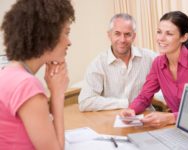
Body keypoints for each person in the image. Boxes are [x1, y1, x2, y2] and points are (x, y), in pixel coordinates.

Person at [120, 11, 188, 128]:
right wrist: (131, 110)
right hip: (177, 127)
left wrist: (171, 117)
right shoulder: (158, 63)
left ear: (184, 37)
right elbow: (145, 96)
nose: (161, 38)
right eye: (159, 32)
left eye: (169, 34)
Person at [0, 0, 75, 149]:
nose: (69, 42)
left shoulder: (8, 73)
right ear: (48, 35)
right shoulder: (26, 85)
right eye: (66, 33)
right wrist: (57, 94)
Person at [78, 13, 157, 112]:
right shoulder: (98, 64)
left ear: (134, 36)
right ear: (109, 35)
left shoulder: (150, 57)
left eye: (127, 34)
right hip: (113, 121)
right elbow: (85, 102)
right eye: (117, 34)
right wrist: (124, 103)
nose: (122, 40)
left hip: (147, 119)